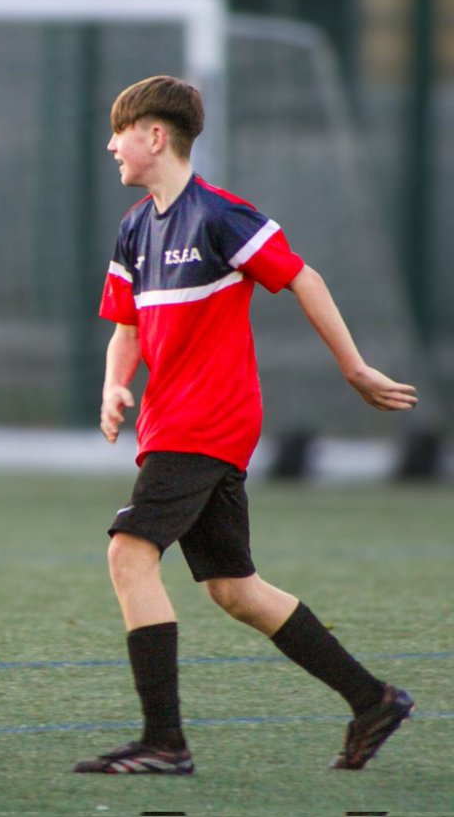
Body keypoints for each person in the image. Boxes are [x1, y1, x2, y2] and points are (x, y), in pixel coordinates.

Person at [75, 75, 418, 776]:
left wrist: (354, 367)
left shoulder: (220, 214)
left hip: (208, 419)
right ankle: (372, 697)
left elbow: (303, 277)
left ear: (155, 136)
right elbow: (126, 324)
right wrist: (115, 384)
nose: (111, 144)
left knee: (128, 553)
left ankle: (163, 741)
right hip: (171, 424)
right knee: (234, 587)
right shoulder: (136, 226)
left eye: (121, 131)